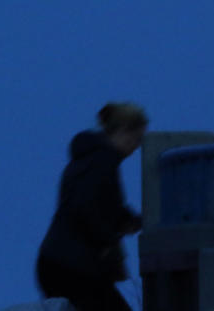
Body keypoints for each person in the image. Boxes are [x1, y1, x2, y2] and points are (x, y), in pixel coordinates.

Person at [36, 102, 148, 311]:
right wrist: (106, 241)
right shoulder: (102, 160)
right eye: (137, 138)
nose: (137, 146)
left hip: (57, 261)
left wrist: (128, 221)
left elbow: (101, 204)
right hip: (74, 266)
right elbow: (89, 208)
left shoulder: (88, 158)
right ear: (123, 131)